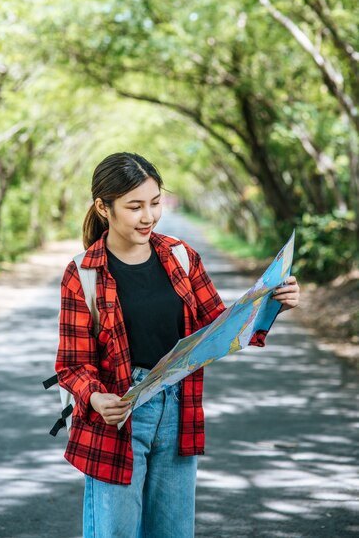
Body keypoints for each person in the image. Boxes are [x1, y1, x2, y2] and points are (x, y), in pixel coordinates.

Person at [55, 152, 300, 538]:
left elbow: (219, 329)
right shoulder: (83, 272)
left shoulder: (181, 257)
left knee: (172, 531)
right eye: (134, 207)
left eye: (155, 203)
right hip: (117, 415)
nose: (148, 216)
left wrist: (274, 303)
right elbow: (72, 365)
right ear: (104, 207)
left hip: (177, 405)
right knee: (115, 531)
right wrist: (97, 398)